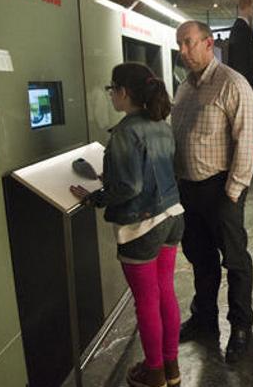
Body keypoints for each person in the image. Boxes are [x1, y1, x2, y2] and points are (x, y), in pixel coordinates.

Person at [69, 63, 184, 387]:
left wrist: (96, 197)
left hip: (142, 226)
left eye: (111, 89)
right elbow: (151, 170)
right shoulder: (160, 124)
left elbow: (130, 188)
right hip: (172, 215)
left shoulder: (124, 131)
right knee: (165, 293)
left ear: (123, 92)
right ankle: (171, 369)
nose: (110, 96)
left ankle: (154, 372)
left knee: (146, 301)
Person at [171, 20, 253, 364]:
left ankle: (240, 326)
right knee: (200, 257)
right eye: (179, 44)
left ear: (209, 43)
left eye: (188, 42)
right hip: (188, 190)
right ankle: (204, 319)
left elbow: (246, 141)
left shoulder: (232, 84)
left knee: (235, 259)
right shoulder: (184, 89)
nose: (183, 50)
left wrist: (233, 192)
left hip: (220, 189)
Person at [227, 0, 253, 86]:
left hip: (239, 79)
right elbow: (242, 59)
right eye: (252, 7)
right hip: (244, 81)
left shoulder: (237, 27)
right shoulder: (242, 28)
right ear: (247, 7)